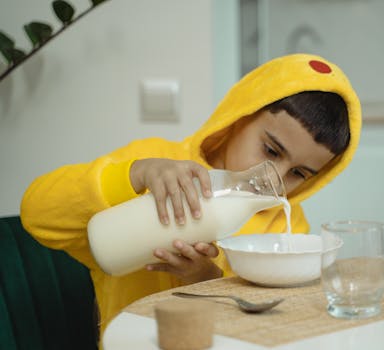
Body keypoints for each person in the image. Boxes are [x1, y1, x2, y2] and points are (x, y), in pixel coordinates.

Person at [20, 53, 362, 335]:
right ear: (238, 118)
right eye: (271, 151)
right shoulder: (153, 166)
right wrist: (135, 175)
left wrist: (207, 280)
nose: (276, 178)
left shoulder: (284, 224)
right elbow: (37, 215)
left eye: (299, 173)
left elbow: (277, 323)